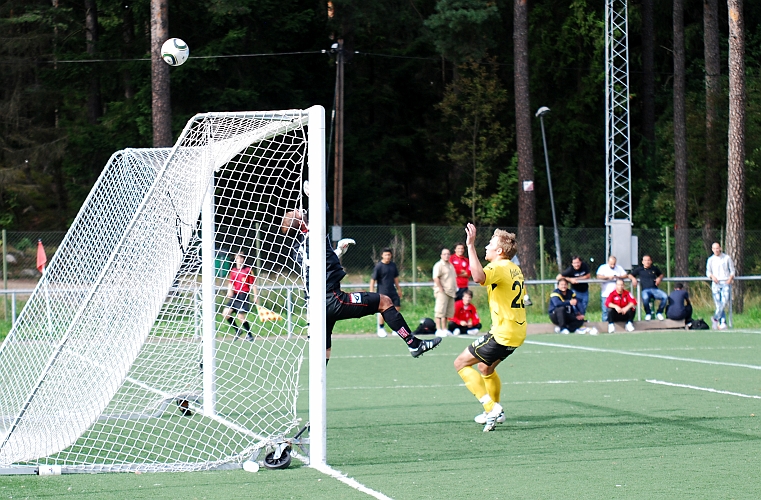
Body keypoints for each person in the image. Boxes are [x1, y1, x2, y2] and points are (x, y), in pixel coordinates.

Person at [281, 209, 441, 361]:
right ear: (301, 222)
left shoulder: (298, 246)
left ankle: (317, 387)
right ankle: (414, 344)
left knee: (325, 349)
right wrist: (314, 193)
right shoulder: (314, 236)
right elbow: (325, 211)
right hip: (332, 300)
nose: (301, 209)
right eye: (298, 212)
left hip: (315, 306)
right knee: (384, 302)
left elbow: (318, 264)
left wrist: (337, 252)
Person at [454, 224, 527, 432]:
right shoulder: (514, 268)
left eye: (490, 244)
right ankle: (495, 413)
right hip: (517, 331)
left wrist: (470, 246)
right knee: (486, 368)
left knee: (460, 363)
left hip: (503, 332)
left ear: (499, 251)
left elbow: (478, 278)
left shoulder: (500, 267)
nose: (487, 246)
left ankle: (491, 406)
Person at [222, 252, 258, 341]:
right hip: (235, 296)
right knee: (225, 313)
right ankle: (237, 330)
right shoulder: (233, 271)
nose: (239, 260)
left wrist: (256, 296)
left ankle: (250, 335)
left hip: (243, 295)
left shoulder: (248, 270)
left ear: (243, 259)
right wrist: (229, 291)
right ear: (235, 259)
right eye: (237, 258)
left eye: (241, 258)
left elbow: (253, 284)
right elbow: (231, 283)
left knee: (240, 317)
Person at [369, 248, 402, 338]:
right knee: (383, 311)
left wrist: (399, 289)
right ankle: (381, 328)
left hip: (392, 291)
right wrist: (371, 292)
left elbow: (396, 279)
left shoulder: (393, 265)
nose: (387, 256)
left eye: (389, 255)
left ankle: (396, 329)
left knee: (396, 309)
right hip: (382, 292)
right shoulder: (379, 266)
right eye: (386, 255)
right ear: (382, 255)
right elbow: (373, 280)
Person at [628, 255, 667, 321]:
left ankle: (659, 313)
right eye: (645, 260)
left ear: (651, 261)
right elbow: (630, 275)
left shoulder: (654, 268)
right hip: (645, 290)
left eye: (648, 260)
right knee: (645, 298)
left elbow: (661, 274)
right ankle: (648, 313)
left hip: (655, 289)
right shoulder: (639, 269)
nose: (647, 262)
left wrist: (659, 278)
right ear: (643, 262)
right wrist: (633, 279)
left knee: (665, 296)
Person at [706, 242, 735, 330]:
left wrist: (730, 279)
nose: (716, 250)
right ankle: (722, 322)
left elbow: (732, 270)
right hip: (716, 283)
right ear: (712, 249)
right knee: (718, 304)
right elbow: (708, 272)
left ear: (720, 248)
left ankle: (715, 318)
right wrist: (712, 276)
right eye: (714, 248)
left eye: (717, 248)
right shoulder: (710, 259)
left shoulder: (726, 258)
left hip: (725, 282)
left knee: (724, 301)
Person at [432, 248, 458, 337]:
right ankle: (438, 329)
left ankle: (444, 329)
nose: (446, 255)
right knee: (440, 311)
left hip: (451, 292)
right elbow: (436, 277)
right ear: (441, 255)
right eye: (444, 254)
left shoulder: (450, 265)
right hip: (442, 291)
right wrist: (441, 288)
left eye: (448, 254)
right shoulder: (438, 265)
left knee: (447, 312)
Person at [596, 255, 628, 322]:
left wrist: (618, 277)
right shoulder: (603, 267)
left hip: (616, 294)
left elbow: (625, 275)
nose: (613, 266)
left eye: (614, 264)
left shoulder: (619, 268)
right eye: (611, 264)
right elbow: (598, 276)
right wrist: (607, 277)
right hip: (606, 293)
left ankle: (614, 323)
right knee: (605, 311)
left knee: (615, 310)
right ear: (608, 262)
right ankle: (605, 324)